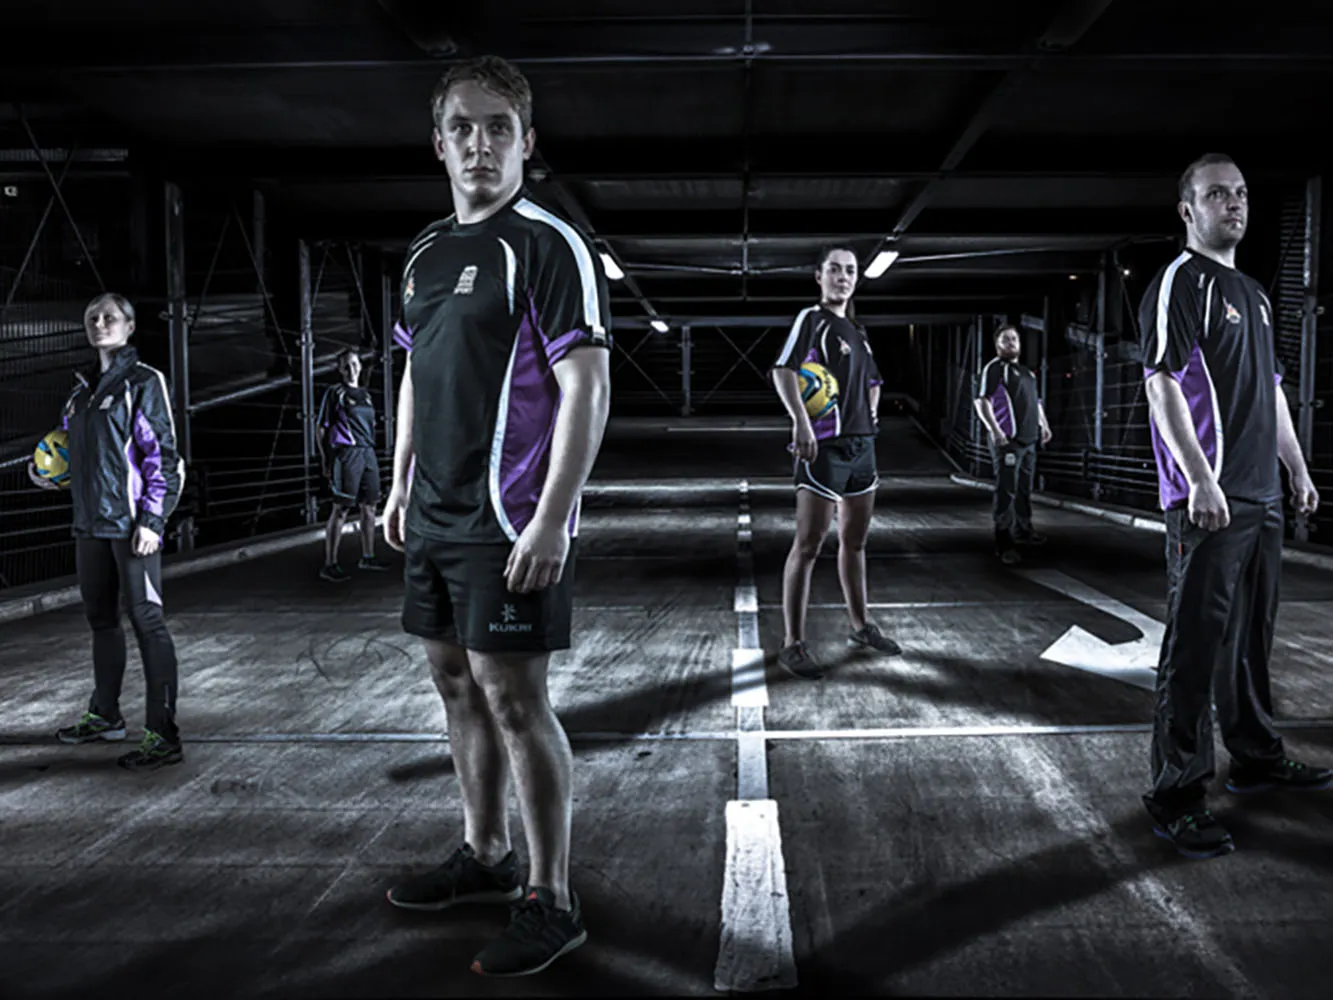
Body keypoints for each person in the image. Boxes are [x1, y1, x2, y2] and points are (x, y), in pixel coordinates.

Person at [379, 55, 612, 976]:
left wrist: (555, 517)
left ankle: (551, 898)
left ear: (526, 144)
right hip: (432, 515)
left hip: (507, 518)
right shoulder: (427, 253)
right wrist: (397, 485)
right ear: (438, 142)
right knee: (453, 687)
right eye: (463, 128)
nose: (481, 144)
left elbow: (585, 386)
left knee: (516, 700)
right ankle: (484, 854)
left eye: (498, 128)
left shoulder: (547, 245)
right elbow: (412, 373)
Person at [1139, 152, 1330, 860]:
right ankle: (1176, 792)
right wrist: (1198, 479)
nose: (1235, 204)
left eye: (1241, 193)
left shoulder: (1250, 291)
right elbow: (1160, 385)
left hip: (1261, 494)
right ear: (1187, 209)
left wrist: (1296, 468)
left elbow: (1272, 391)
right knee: (1193, 645)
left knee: (1249, 638)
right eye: (1217, 194)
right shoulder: (1178, 284)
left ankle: (1252, 753)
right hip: (1210, 498)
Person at [27, 292, 186, 772]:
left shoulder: (142, 382)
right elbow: (78, 460)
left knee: (148, 622)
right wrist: (49, 477)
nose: (100, 323)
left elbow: (166, 459)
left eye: (110, 317)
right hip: (89, 524)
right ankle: (106, 715)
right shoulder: (80, 394)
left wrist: (153, 522)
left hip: (132, 525)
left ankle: (163, 735)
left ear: (129, 326)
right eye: (92, 316)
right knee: (101, 620)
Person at [768, 245, 902, 681]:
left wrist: (872, 411)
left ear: (856, 278)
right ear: (818, 276)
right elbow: (782, 371)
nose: (842, 277)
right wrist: (802, 423)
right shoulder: (813, 320)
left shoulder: (857, 331)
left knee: (856, 542)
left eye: (849, 271)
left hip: (863, 447)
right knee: (808, 545)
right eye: (834, 270)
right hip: (824, 447)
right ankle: (792, 644)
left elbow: (875, 381)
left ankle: (861, 628)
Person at [974, 323, 1052, 565]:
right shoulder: (995, 368)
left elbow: (1036, 402)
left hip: (1029, 441)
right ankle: (1003, 542)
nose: (1011, 343)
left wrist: (1045, 425)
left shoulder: (1027, 373)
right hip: (1007, 441)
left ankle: (1024, 529)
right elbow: (981, 401)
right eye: (1005, 339)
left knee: (1024, 489)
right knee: (1006, 489)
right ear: (997, 344)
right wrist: (995, 430)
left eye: (1014, 339)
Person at [315, 347, 389, 580]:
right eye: (346, 365)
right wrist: (326, 459)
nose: (351, 369)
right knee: (342, 508)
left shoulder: (366, 395)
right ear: (339, 369)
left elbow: (371, 426)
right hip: (346, 454)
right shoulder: (335, 393)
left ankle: (368, 556)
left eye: (355, 364)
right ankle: (330, 563)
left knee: (370, 507)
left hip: (367, 453)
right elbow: (320, 428)